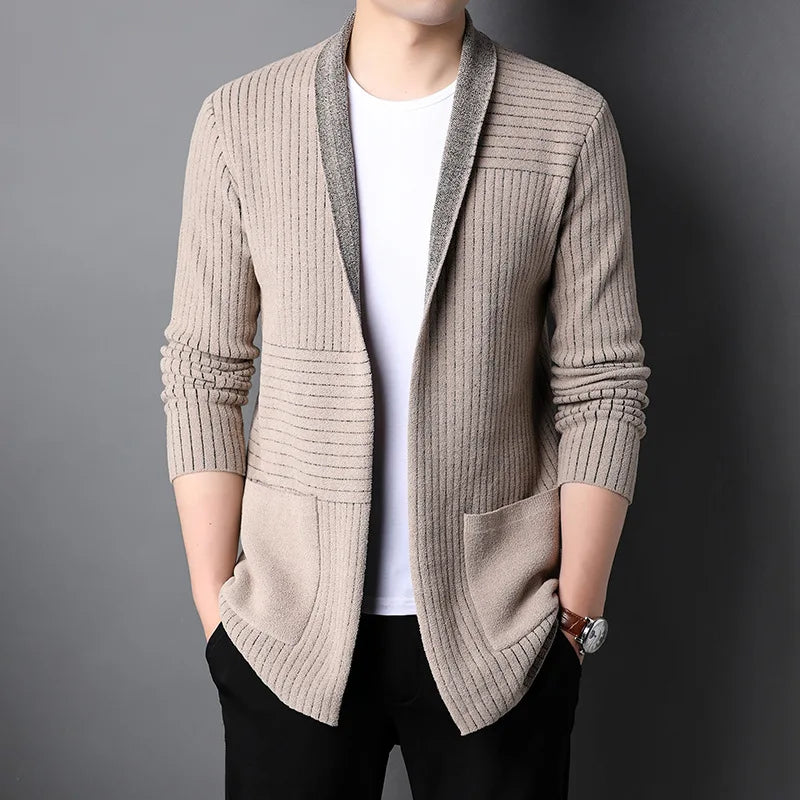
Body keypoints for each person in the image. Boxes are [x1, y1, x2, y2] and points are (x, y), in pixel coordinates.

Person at [159, 1, 650, 797]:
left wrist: (573, 620)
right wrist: (221, 621)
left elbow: (604, 383)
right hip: (286, 636)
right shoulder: (240, 120)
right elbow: (203, 372)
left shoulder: (568, 123)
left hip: (502, 637)